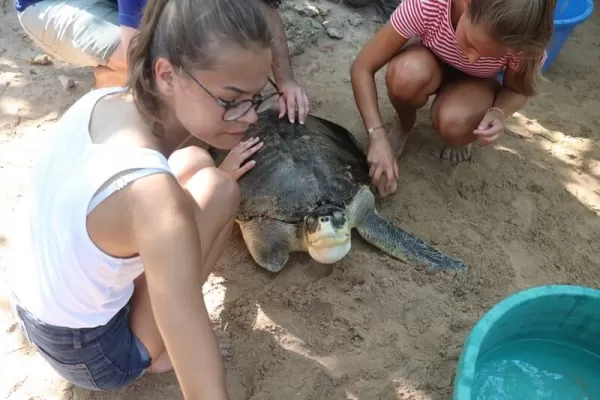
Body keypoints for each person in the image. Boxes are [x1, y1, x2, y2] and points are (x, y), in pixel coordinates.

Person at [9, 0, 279, 397]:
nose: (251, 116)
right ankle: (154, 354)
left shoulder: (106, 101)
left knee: (193, 161)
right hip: (94, 355)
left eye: (256, 98)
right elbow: (190, 337)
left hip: (41, 310)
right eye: (231, 99)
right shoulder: (154, 198)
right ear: (166, 74)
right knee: (219, 191)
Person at [350, 0, 555, 197]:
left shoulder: (523, 40)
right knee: (406, 76)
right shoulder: (428, 4)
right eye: (471, 43)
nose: (472, 59)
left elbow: (518, 90)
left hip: (476, 83)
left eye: (488, 55)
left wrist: (498, 112)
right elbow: (362, 67)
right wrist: (376, 135)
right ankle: (405, 123)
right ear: (467, 3)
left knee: (455, 122)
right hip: (427, 59)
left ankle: (460, 133)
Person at [14, 0, 310, 124]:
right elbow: (138, 55)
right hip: (51, 6)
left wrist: (286, 80)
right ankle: (105, 109)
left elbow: (263, 6)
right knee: (154, 61)